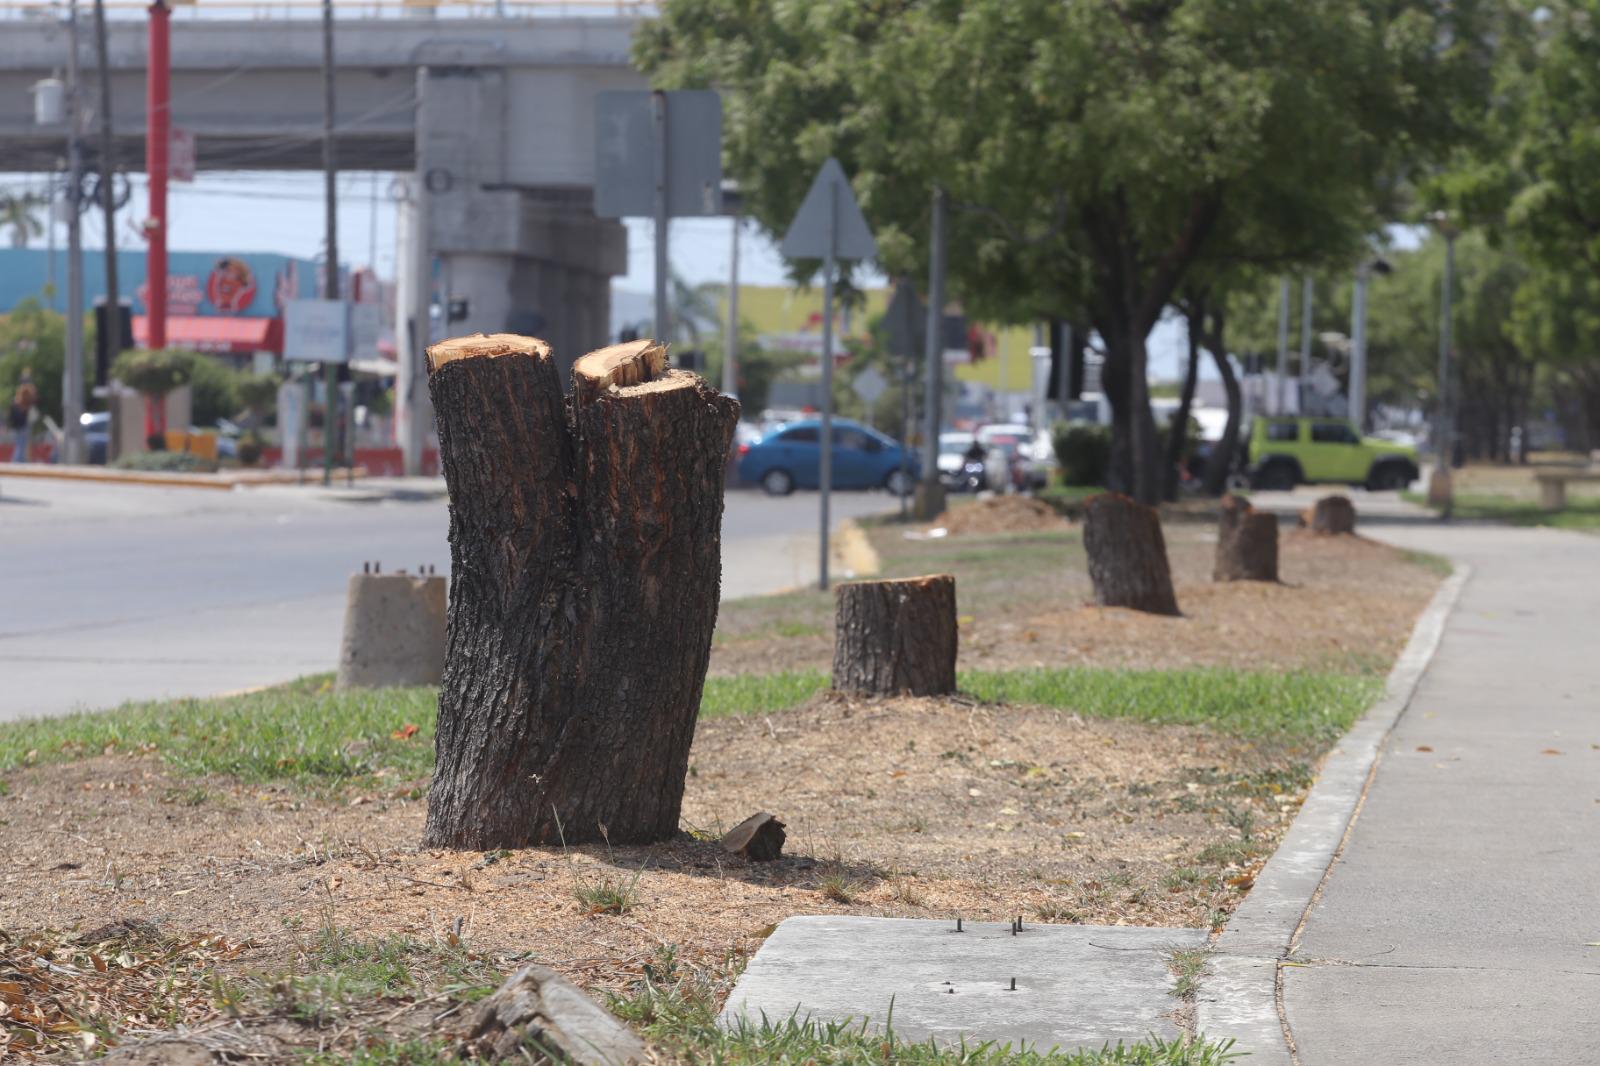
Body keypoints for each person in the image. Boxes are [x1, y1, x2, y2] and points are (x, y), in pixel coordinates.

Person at [9, 370, 37, 464]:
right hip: (22, 423)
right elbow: (29, 402)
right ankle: (16, 462)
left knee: (21, 444)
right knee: (21, 444)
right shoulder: (25, 390)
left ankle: (19, 461)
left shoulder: (20, 391)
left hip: (19, 423)